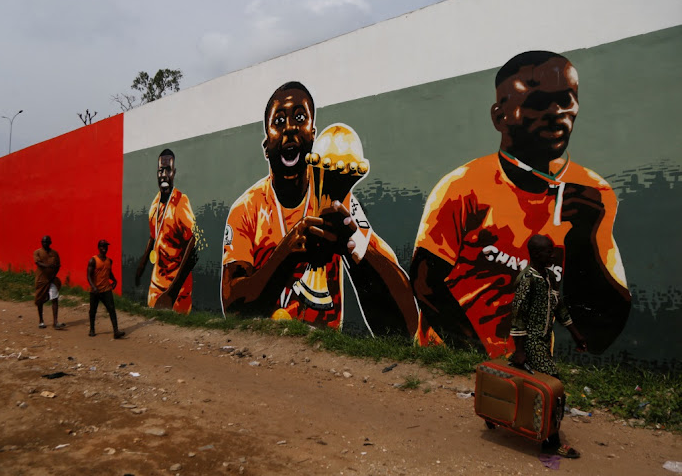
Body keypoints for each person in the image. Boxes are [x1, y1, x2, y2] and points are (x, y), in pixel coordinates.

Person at [411, 51, 630, 356]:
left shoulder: (592, 194)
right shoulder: (462, 187)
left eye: (566, 100)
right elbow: (425, 282)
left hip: (530, 367)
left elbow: (599, 335)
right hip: (450, 357)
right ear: (500, 117)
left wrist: (586, 240)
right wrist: (477, 356)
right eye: (538, 103)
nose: (556, 113)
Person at [221, 81, 422, 337]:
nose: (290, 128)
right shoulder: (246, 209)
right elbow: (233, 307)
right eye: (279, 121)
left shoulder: (337, 201)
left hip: (321, 358)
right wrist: (288, 253)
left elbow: (405, 326)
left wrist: (355, 247)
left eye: (300, 118)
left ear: (313, 136)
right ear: (266, 146)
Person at [510, 234, 587, 458]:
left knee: (539, 387)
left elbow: (559, 308)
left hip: (543, 341)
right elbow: (518, 314)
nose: (552, 255)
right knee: (555, 388)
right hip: (532, 341)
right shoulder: (528, 279)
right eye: (548, 252)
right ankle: (551, 442)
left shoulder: (547, 277)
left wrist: (576, 335)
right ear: (536, 254)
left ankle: (529, 423)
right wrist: (521, 349)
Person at [135, 149, 197, 314]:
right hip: (155, 287)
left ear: (174, 172)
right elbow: (153, 236)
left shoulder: (181, 202)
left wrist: (172, 291)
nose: (163, 174)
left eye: (167, 170)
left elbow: (193, 242)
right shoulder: (155, 203)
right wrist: (142, 264)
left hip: (177, 292)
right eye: (160, 171)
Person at [87, 239, 125, 339]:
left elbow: (108, 272)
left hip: (106, 289)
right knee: (93, 310)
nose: (104, 248)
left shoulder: (109, 261)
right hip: (95, 291)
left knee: (112, 309)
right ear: (99, 248)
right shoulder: (93, 260)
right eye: (102, 246)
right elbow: (88, 276)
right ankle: (92, 329)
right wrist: (94, 287)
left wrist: (114, 280)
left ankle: (116, 331)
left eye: (106, 246)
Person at [34, 235, 64, 329]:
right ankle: (41, 321)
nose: (45, 243)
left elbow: (58, 265)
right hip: (41, 280)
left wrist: (53, 273)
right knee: (40, 300)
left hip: (52, 280)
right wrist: (48, 266)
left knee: (54, 299)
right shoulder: (37, 252)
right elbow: (38, 263)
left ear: (50, 243)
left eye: (47, 242)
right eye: (43, 242)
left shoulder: (55, 253)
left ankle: (55, 322)